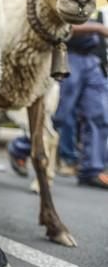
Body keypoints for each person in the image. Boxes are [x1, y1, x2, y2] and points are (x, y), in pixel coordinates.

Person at [8, 18, 108, 189]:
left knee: (99, 113)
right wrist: (98, 28)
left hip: (92, 60)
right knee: (57, 114)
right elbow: (59, 25)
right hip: (67, 55)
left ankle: (92, 169)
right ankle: (21, 147)